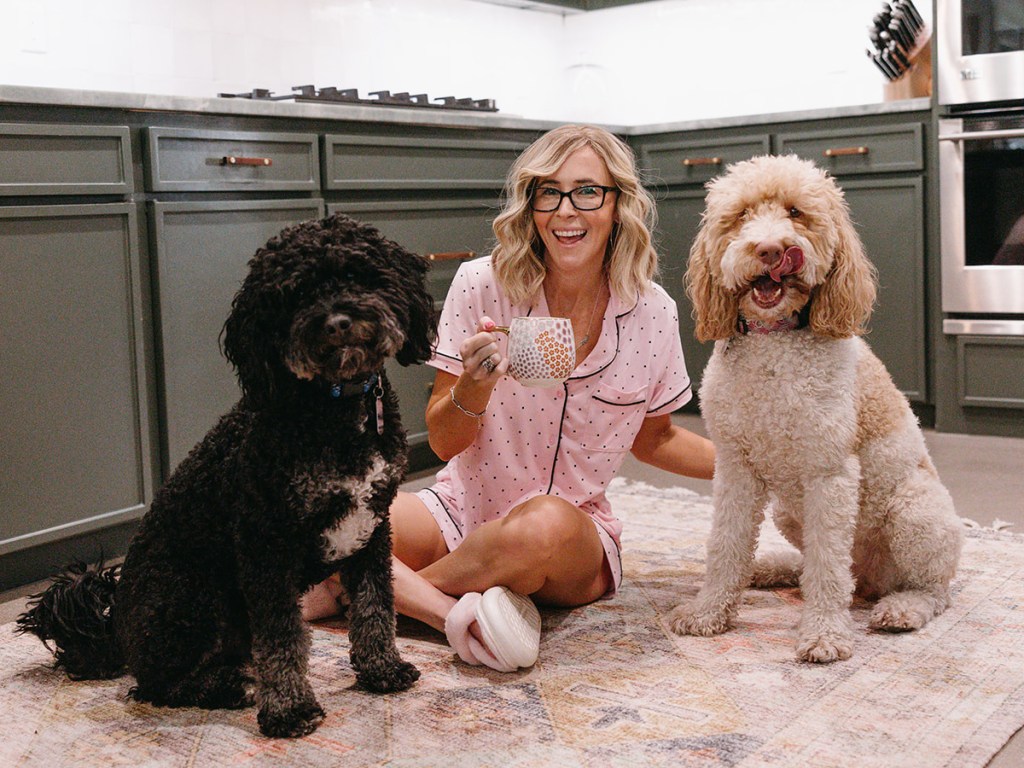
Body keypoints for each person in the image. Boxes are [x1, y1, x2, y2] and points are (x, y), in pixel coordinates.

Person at [302, 124, 715, 672]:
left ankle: (375, 595)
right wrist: (474, 385)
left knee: (539, 524)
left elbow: (656, 439)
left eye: (588, 191)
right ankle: (452, 614)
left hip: (570, 536)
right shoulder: (480, 284)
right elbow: (447, 443)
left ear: (618, 204)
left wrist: (761, 467)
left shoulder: (652, 310)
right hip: (460, 509)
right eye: (549, 191)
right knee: (332, 520)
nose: (567, 210)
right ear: (531, 204)